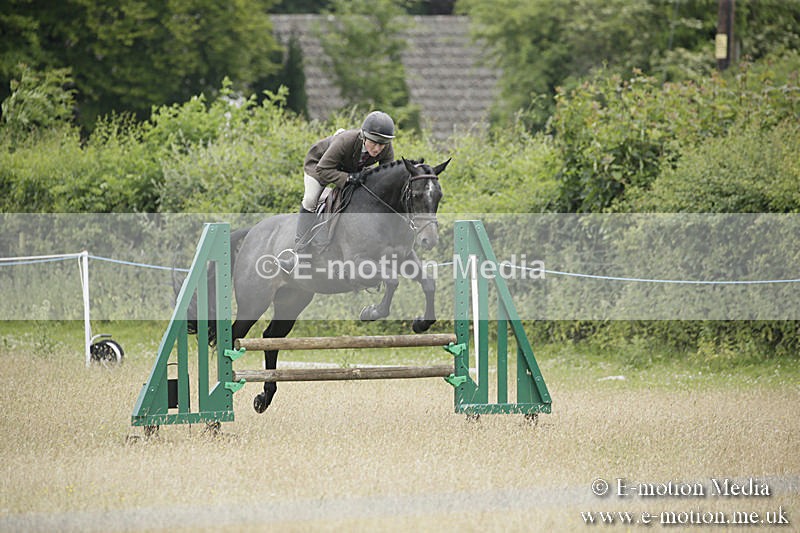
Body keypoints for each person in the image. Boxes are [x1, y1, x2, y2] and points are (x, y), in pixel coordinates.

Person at [278, 110, 396, 272]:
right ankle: (299, 253)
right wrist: (348, 178)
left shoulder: (385, 148)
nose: (377, 149)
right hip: (320, 166)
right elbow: (323, 169)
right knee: (310, 200)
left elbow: (385, 177)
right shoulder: (345, 141)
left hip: (351, 169)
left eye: (382, 144)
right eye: (374, 143)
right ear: (363, 136)